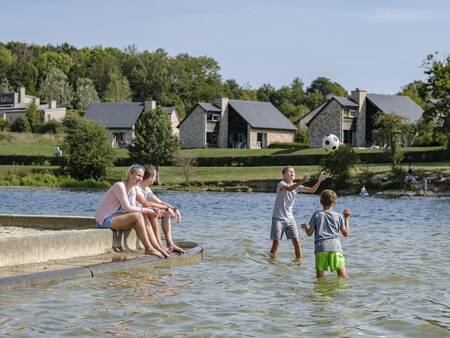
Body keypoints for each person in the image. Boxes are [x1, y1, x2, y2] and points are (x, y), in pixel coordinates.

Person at [94, 164, 169, 258]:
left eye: (142, 176)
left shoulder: (133, 189)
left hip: (116, 218)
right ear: (130, 174)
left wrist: (148, 210)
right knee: (138, 215)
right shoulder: (119, 186)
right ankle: (149, 248)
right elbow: (127, 208)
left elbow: (133, 207)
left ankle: (157, 247)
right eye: (138, 175)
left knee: (142, 215)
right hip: (104, 220)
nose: (140, 179)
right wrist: (147, 209)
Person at [270, 166, 328, 260]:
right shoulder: (281, 184)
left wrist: (320, 180)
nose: (292, 173)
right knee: (276, 243)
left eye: (293, 172)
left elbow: (312, 190)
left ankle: (298, 263)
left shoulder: (297, 187)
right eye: (289, 172)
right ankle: (271, 261)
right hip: (278, 218)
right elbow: (289, 188)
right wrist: (301, 181)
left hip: (290, 218)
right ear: (283, 175)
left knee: (297, 242)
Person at [301, 190, 351, 278]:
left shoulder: (317, 214)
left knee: (320, 278)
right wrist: (346, 218)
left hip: (321, 247)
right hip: (335, 247)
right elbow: (345, 233)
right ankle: (343, 291)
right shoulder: (339, 216)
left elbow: (309, 233)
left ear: (321, 201)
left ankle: (321, 291)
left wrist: (305, 227)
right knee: (342, 277)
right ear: (334, 202)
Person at [136, 165, 185, 254]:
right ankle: (159, 245)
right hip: (136, 214)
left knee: (165, 213)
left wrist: (174, 208)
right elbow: (146, 204)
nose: (155, 178)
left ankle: (170, 243)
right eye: (155, 176)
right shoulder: (137, 188)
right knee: (154, 212)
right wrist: (165, 207)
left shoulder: (146, 188)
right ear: (150, 177)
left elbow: (160, 202)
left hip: (143, 212)